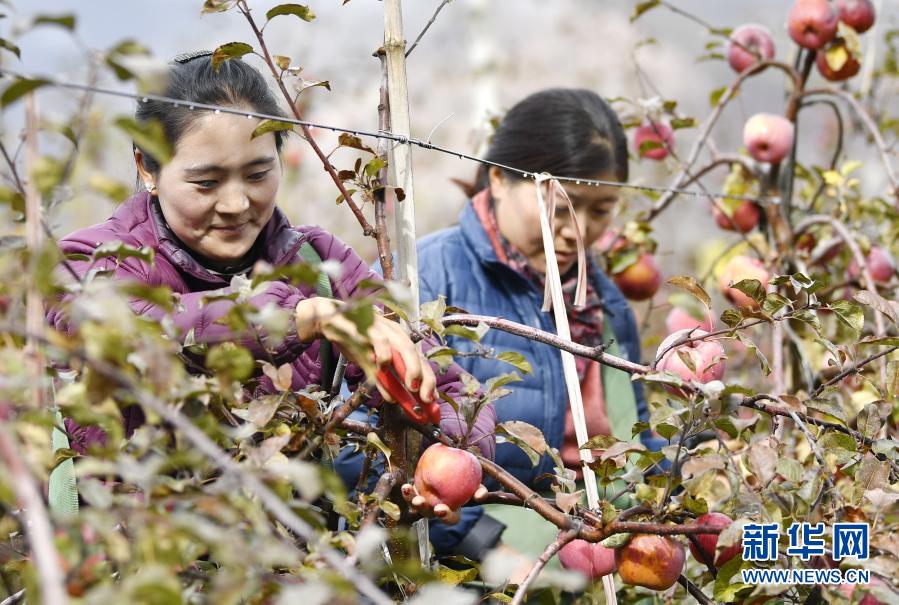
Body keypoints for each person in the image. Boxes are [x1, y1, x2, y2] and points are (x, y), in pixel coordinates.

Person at [45, 52, 496, 519]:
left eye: (258, 174)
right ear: (147, 168)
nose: (237, 203)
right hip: (132, 554)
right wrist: (297, 316)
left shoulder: (317, 262)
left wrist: (447, 452)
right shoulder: (88, 261)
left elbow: (447, 385)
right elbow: (132, 328)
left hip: (292, 555)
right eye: (206, 182)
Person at [407, 88, 664, 563]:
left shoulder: (604, 303)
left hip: (601, 565)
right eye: (561, 206)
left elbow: (637, 440)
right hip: (478, 573)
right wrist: (485, 548)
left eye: (600, 211)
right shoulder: (427, 278)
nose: (577, 230)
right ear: (499, 179)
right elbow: (376, 450)